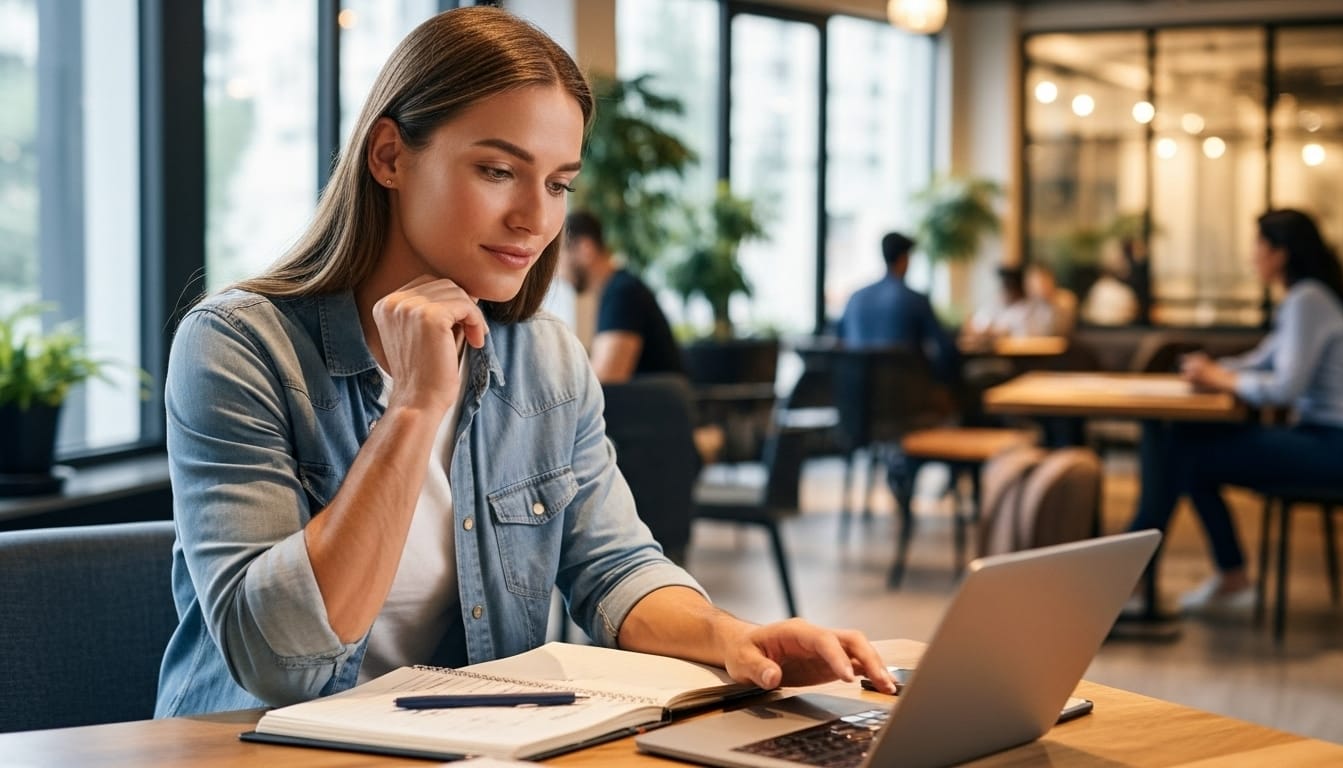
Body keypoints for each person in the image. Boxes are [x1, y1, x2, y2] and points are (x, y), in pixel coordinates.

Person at [154, 7, 893, 717]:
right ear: (389, 156)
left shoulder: (544, 359)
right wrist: (413, 408)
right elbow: (277, 665)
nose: (537, 220)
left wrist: (735, 638)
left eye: (558, 183)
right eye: (499, 171)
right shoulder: (238, 347)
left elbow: (614, 567)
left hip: (462, 743)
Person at [1127, 209, 1343, 613]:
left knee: (1182, 451)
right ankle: (1212, 579)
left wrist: (1219, 379)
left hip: (1336, 448)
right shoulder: (1310, 298)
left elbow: (1284, 387)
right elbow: (1264, 360)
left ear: (1280, 253)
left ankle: (1135, 582)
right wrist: (1214, 370)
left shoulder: (1307, 300)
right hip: (1336, 443)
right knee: (1184, 448)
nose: (1252, 256)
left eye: (1258, 245)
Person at [562, 209, 684, 383]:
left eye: (559, 256)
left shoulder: (624, 293)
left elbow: (605, 380)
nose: (557, 272)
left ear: (585, 248)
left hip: (657, 408)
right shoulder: (614, 290)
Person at [838, 231, 961, 384]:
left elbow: (840, 340)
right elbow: (945, 348)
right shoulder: (915, 300)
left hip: (856, 396)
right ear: (904, 260)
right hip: (905, 397)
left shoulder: (855, 298)